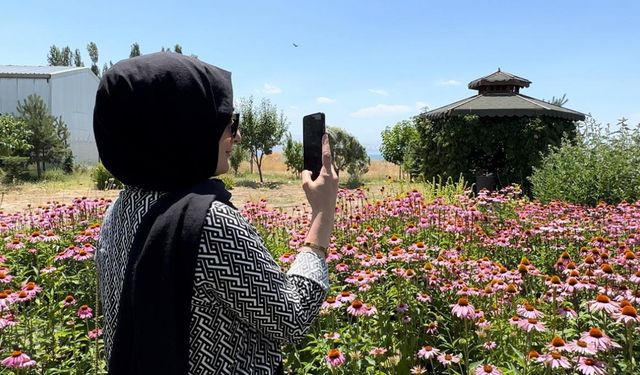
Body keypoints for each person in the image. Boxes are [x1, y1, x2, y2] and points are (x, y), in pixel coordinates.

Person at [93, 52, 338, 374]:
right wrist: (323, 215)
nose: (236, 136)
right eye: (228, 123)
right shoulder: (209, 220)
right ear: (183, 127)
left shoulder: (121, 207)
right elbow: (291, 318)